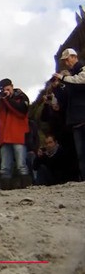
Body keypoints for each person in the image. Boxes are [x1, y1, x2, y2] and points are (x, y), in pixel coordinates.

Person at [0, 78, 31, 190]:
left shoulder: (21, 96)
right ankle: (6, 190)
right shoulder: (2, 100)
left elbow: (22, 111)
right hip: (4, 137)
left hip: (18, 135)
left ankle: (26, 188)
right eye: (4, 90)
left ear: (12, 86)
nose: (6, 91)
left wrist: (7, 100)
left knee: (21, 165)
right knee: (4, 167)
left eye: (8, 89)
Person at [52, 48, 85, 180]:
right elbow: (65, 99)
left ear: (74, 57)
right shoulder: (69, 77)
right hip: (75, 119)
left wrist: (63, 78)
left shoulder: (82, 69)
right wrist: (57, 88)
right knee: (80, 153)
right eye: (64, 60)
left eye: (67, 59)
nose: (66, 63)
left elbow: (80, 80)